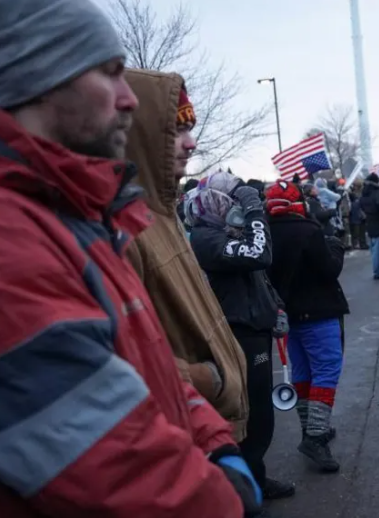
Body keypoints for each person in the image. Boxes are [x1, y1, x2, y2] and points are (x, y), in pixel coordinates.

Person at [0, 0, 261, 516]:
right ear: (41, 75)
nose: (130, 100)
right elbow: (112, 471)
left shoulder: (72, 212)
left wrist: (216, 442)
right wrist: (221, 501)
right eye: (109, 74)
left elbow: (148, 372)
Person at [122, 69, 251, 447]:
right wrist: (209, 378)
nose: (191, 144)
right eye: (176, 131)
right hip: (181, 439)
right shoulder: (126, 231)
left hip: (208, 429)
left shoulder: (164, 215)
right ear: (140, 135)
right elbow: (123, 364)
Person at [186, 171, 296, 505]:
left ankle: (255, 478)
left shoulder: (222, 232)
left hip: (255, 329)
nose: (234, 207)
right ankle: (244, 493)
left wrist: (275, 306)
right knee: (251, 416)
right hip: (238, 334)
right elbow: (258, 254)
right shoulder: (205, 238)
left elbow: (257, 273)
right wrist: (253, 211)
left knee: (261, 416)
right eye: (229, 202)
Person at [264, 180, 349, 473]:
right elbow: (329, 269)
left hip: (288, 315)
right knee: (326, 370)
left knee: (303, 373)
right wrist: (336, 247)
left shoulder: (264, 232)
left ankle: (311, 429)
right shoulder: (308, 230)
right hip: (318, 312)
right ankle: (315, 436)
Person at [358, 173, 379, 279]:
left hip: (370, 223)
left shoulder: (364, 195)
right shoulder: (377, 193)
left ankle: (378, 270)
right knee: (378, 250)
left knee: (374, 249)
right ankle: (378, 271)